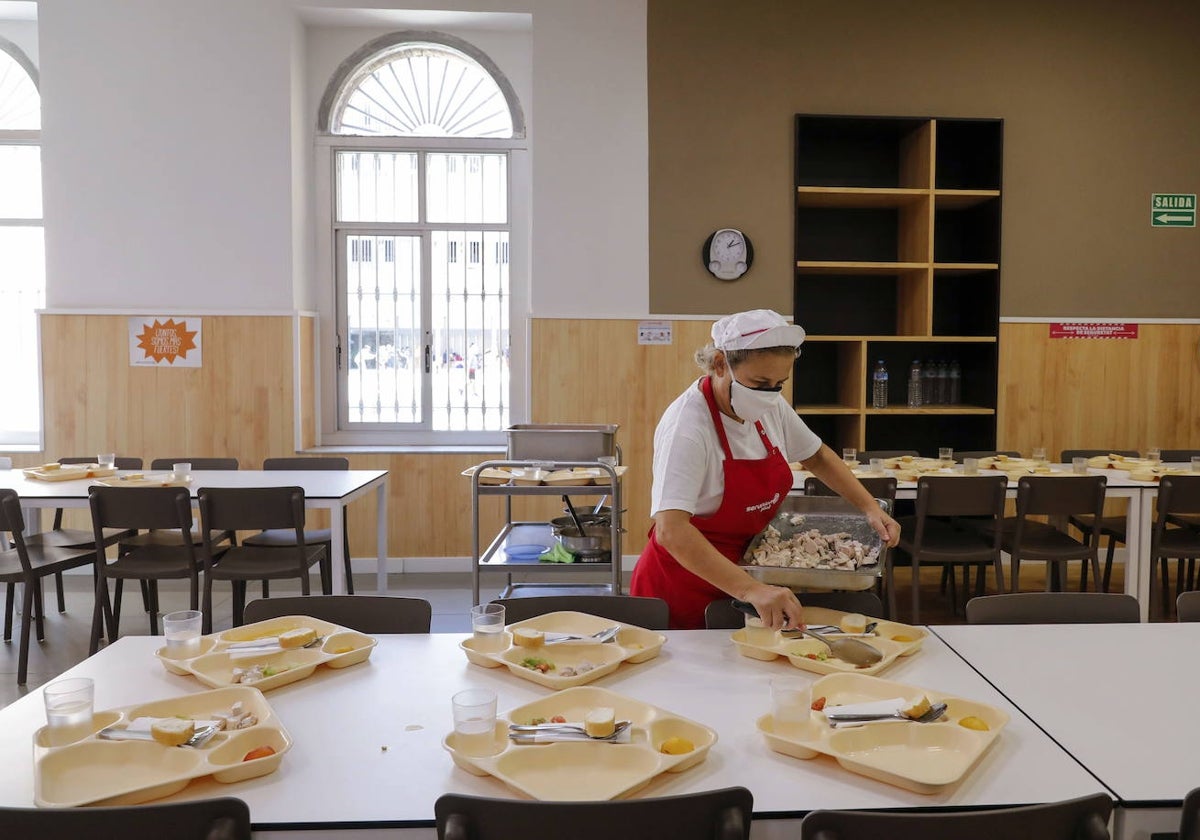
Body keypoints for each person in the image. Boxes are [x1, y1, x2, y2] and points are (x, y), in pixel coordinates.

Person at [630, 309, 900, 630]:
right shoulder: (687, 428)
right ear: (720, 364)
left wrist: (869, 507)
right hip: (682, 584)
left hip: (748, 573)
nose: (769, 393)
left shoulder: (767, 404)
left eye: (778, 384)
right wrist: (750, 589)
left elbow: (817, 457)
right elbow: (671, 530)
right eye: (759, 382)